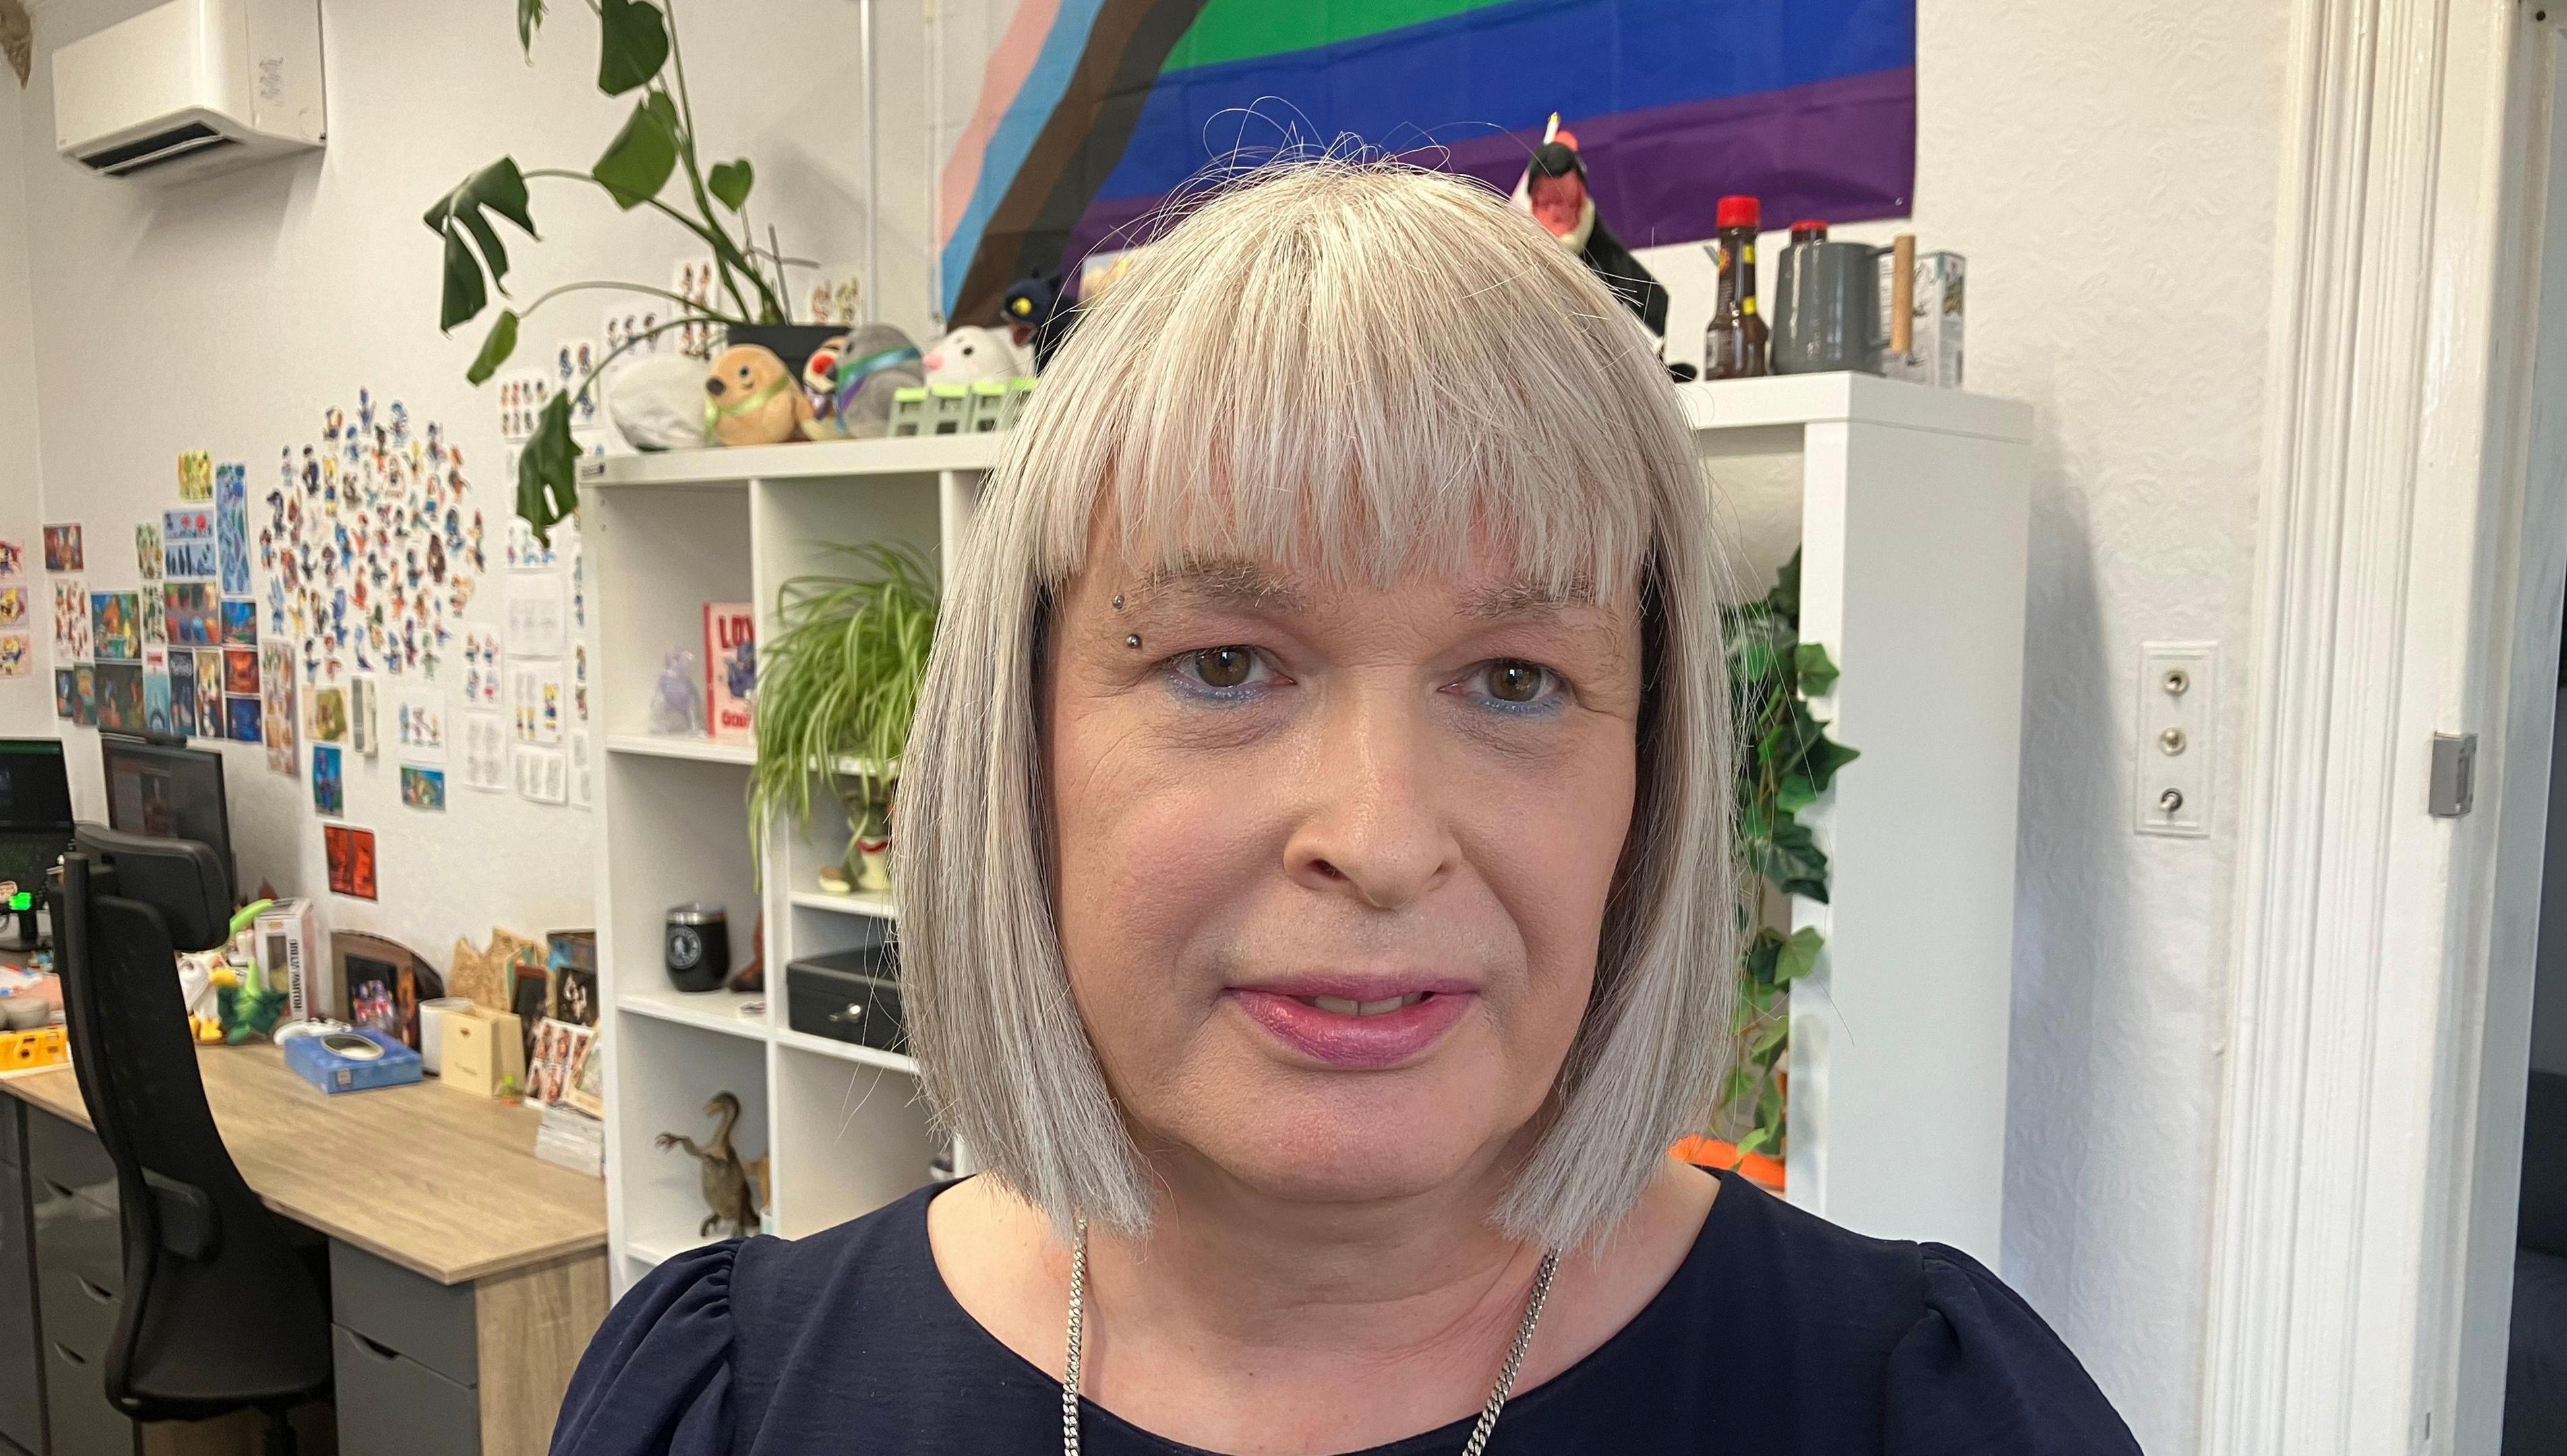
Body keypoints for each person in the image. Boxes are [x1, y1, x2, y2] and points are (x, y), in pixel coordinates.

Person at [550, 161, 2142, 1456]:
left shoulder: (1916, 1411)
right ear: (1020, 749)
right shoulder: (735, 1406)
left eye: (1516, 680)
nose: (1379, 840)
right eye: (1227, 664)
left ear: (1647, 791)